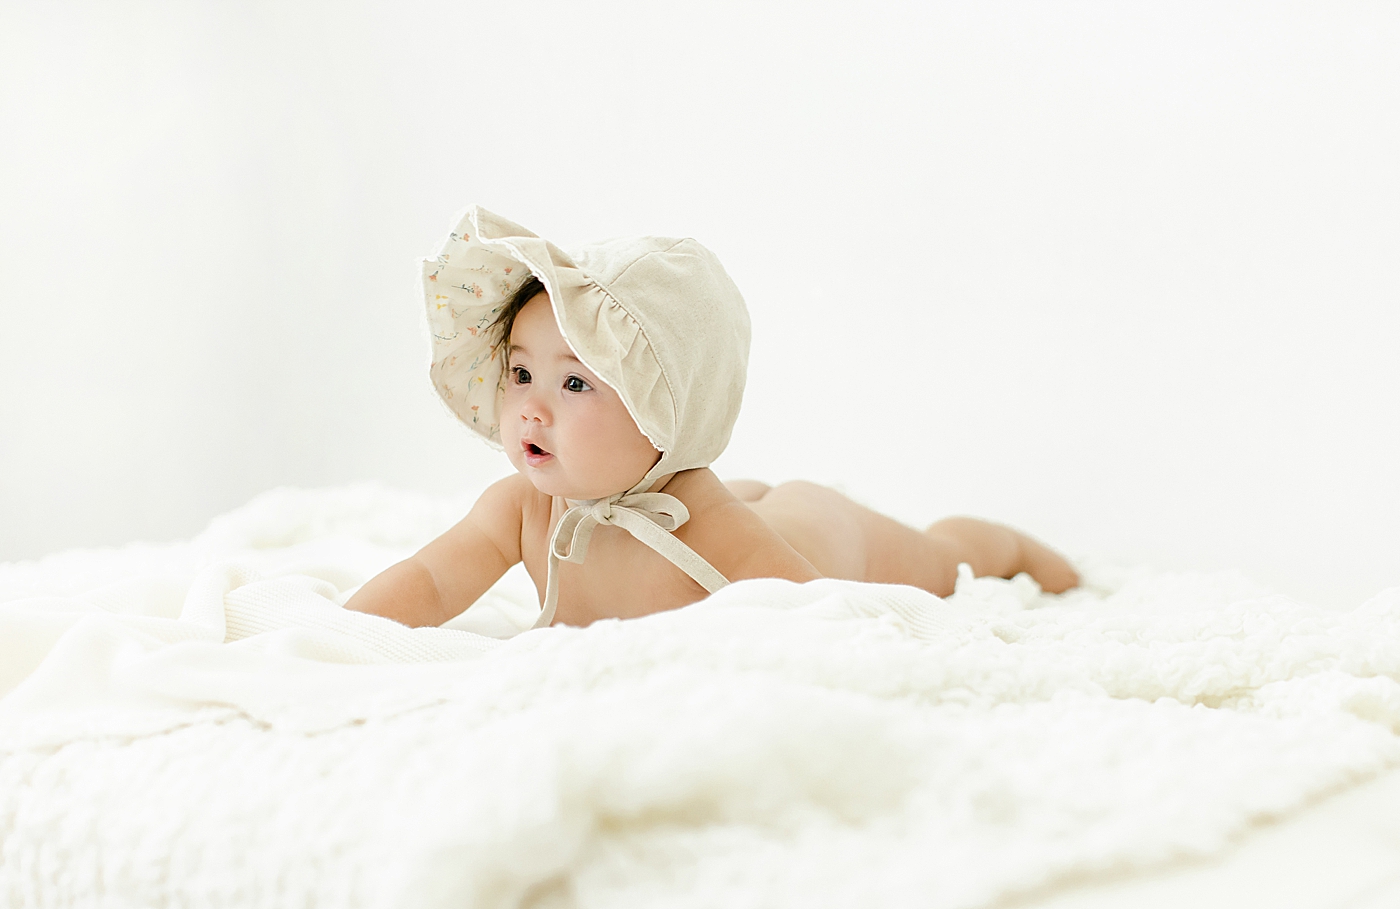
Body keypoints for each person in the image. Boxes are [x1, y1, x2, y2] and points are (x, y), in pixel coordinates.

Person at [346, 206, 1078, 629]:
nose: (531, 406)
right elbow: (431, 581)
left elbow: (816, 610)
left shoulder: (703, 518)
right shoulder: (521, 507)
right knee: (757, 500)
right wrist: (344, 629)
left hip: (820, 533)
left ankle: (1007, 544)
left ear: (664, 414)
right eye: (522, 372)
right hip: (742, 507)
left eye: (575, 382)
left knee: (937, 560)